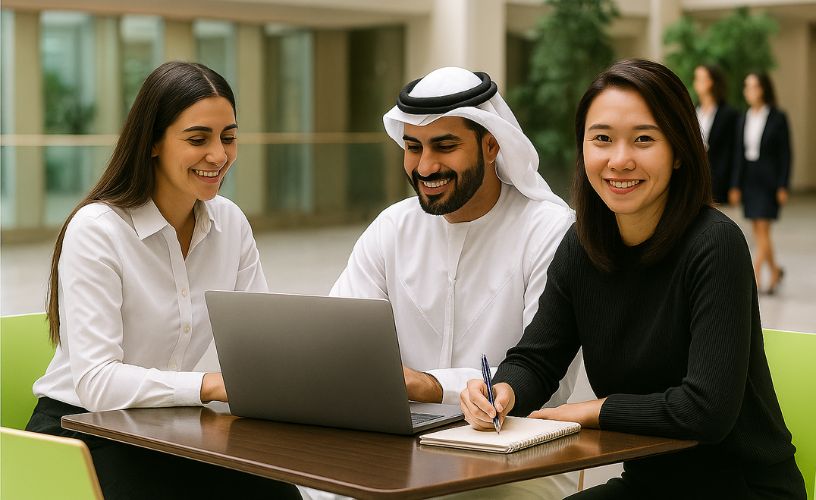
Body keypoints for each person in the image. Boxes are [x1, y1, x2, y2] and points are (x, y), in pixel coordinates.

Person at [461, 59, 806, 499]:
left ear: (680, 150)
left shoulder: (716, 245)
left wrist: (593, 411)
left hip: (743, 490)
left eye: (644, 139)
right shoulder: (581, 246)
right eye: (601, 139)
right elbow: (539, 357)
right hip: (650, 486)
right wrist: (503, 390)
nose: (619, 160)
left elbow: (707, 410)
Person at [26, 61, 300, 499]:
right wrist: (209, 385)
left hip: (173, 428)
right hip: (84, 429)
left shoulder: (231, 223)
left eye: (228, 137)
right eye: (198, 139)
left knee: (278, 494)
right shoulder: (97, 229)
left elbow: (258, 346)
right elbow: (97, 382)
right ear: (152, 142)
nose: (218, 155)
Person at [328, 67, 582, 498]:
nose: (426, 166)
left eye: (444, 146)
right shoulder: (393, 227)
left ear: (490, 144)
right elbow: (336, 337)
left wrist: (427, 386)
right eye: (413, 147)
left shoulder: (549, 231)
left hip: (518, 454)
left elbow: (546, 379)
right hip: (400, 447)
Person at [730, 72, 791, 295]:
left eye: (753, 86)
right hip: (750, 179)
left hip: (769, 180)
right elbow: (739, 153)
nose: (748, 90)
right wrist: (735, 184)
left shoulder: (777, 117)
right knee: (758, 230)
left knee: (763, 229)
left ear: (763, 88)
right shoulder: (744, 117)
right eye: (746, 86)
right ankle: (774, 270)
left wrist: (783, 185)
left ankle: (754, 276)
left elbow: (786, 153)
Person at [692, 64, 739, 204]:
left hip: (719, 178)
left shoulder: (729, 114)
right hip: (695, 177)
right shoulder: (693, 111)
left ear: (711, 82)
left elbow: (734, 151)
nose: (695, 82)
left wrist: (734, 185)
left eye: (699, 78)